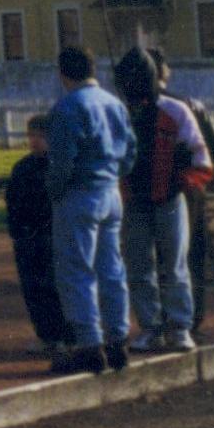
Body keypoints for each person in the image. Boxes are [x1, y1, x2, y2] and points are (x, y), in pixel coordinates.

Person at [44, 46, 136, 375]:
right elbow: (130, 152)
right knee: (111, 268)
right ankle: (118, 338)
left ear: (63, 73)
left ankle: (89, 343)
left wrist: (54, 190)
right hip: (110, 190)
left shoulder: (68, 108)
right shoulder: (114, 104)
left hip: (79, 193)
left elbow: (62, 160)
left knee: (77, 269)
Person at [116, 50, 212, 355]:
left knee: (174, 265)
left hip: (169, 198)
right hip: (134, 201)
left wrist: (180, 183)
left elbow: (201, 157)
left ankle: (180, 326)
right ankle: (150, 326)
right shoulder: (121, 113)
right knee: (139, 265)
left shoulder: (175, 110)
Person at [152, 51, 214, 310]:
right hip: (192, 186)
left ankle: (168, 312)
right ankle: (194, 312)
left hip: (159, 187)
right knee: (194, 252)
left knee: (164, 256)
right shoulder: (190, 104)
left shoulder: (143, 107)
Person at [5, 114, 69, 358]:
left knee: (55, 287)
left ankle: (64, 334)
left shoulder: (58, 167)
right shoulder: (22, 168)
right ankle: (46, 335)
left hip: (51, 235)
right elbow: (12, 201)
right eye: (31, 136)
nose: (34, 141)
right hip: (27, 237)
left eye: (40, 136)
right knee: (33, 289)